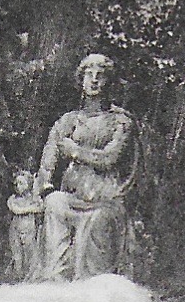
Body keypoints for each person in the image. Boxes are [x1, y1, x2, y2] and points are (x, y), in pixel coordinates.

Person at [34, 53, 138, 279]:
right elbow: (49, 155)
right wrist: (46, 187)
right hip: (72, 195)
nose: (94, 80)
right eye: (88, 75)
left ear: (109, 82)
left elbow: (109, 158)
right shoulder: (69, 120)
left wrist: (74, 150)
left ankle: (92, 285)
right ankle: (56, 277)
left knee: (98, 220)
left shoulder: (120, 121)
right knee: (54, 204)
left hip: (103, 197)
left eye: (100, 76)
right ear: (80, 81)